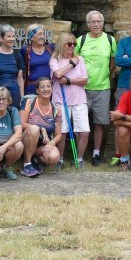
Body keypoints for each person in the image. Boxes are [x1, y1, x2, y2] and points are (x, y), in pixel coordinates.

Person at [77, 11, 117, 166]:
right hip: (82, 89)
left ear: (103, 23)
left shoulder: (110, 39)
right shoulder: (81, 40)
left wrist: (106, 75)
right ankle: (78, 154)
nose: (96, 24)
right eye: (92, 22)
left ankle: (96, 153)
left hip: (103, 87)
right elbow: (74, 60)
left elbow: (113, 62)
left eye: (99, 21)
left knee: (100, 122)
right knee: (80, 122)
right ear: (88, 24)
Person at [50, 32, 91, 164]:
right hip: (60, 99)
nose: (72, 46)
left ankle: (79, 159)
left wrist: (68, 80)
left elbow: (85, 80)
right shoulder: (54, 60)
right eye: (69, 43)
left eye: (74, 44)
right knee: (62, 132)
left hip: (79, 99)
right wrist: (71, 64)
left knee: (84, 131)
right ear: (62, 44)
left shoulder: (80, 59)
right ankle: (60, 159)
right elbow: (57, 74)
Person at [20, 77, 66, 177]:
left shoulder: (56, 109)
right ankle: (27, 164)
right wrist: (41, 128)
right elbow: (21, 123)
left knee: (54, 157)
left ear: (52, 89)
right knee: (34, 129)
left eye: (48, 86)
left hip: (42, 144)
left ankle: (35, 159)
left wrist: (51, 143)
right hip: (27, 138)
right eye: (42, 87)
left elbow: (59, 134)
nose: (46, 89)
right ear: (37, 90)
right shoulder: (29, 101)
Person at [0, 24, 26, 110]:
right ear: (1, 38)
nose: (12, 39)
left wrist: (21, 96)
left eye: (13, 36)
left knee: (14, 118)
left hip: (14, 94)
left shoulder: (17, 55)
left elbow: (20, 78)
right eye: (8, 36)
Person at [20, 24, 53, 104]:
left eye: (43, 34)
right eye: (39, 34)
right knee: (31, 114)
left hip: (47, 88)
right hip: (31, 88)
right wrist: (22, 95)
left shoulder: (50, 48)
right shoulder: (25, 50)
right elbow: (20, 74)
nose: (42, 36)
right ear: (31, 36)